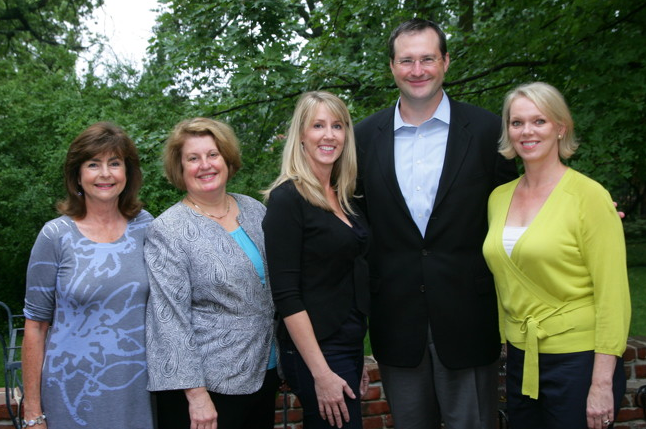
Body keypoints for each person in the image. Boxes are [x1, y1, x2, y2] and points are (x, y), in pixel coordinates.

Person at [354, 18, 518, 429]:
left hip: (468, 316)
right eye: (406, 60)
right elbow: (351, 222)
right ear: (391, 66)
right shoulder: (361, 138)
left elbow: (519, 203)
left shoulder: (487, 132)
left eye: (427, 58)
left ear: (445, 62)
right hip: (396, 320)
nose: (417, 70)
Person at [482, 82, 630, 429]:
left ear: (561, 127)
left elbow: (613, 297)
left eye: (539, 121)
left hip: (578, 362)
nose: (526, 131)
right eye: (516, 123)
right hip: (522, 360)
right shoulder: (498, 198)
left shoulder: (589, 196)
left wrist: (601, 384)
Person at [144, 117, 278, 429]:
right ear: (180, 168)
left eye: (212, 154)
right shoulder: (169, 229)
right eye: (193, 158)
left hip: (265, 371)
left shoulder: (255, 211)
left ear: (227, 160)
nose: (205, 165)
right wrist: (196, 394)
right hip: (209, 389)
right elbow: (169, 319)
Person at [22, 122, 154, 429]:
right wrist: (32, 413)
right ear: (77, 175)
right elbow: (35, 326)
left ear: (128, 173)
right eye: (93, 164)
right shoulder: (55, 236)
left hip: (138, 394)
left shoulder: (147, 228)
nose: (105, 174)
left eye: (114, 163)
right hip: (70, 396)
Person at [263, 91, 370, 429]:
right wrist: (321, 372)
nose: (329, 135)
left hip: (347, 344)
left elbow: (340, 280)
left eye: (337, 126)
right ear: (301, 136)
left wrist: (357, 359)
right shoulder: (287, 200)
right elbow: (286, 294)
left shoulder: (347, 197)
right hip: (316, 352)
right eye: (318, 126)